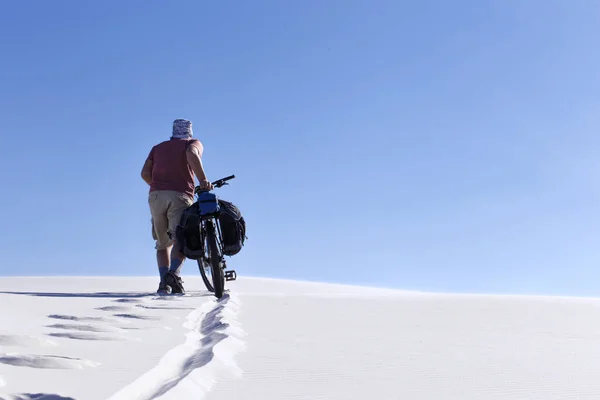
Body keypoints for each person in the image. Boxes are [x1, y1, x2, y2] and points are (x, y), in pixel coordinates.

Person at [141, 118, 214, 294]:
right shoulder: (193, 143)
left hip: (156, 195)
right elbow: (191, 154)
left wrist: (159, 186)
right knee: (179, 238)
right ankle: (173, 274)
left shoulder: (157, 148)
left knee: (161, 243)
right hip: (180, 195)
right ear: (189, 131)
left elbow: (144, 173)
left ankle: (163, 283)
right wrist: (203, 180)